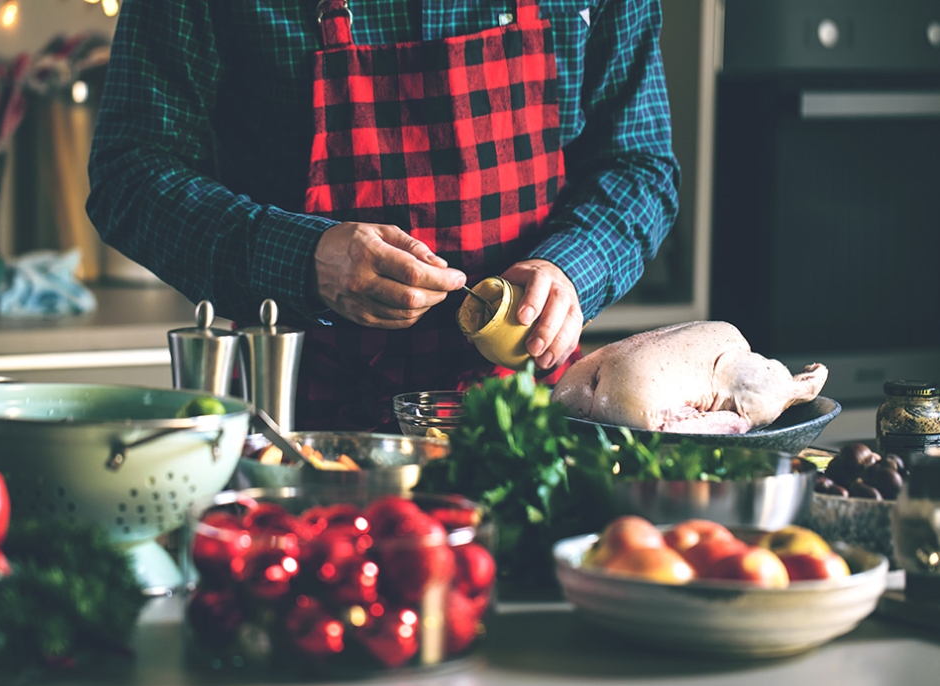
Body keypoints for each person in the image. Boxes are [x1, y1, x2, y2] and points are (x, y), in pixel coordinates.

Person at [87, 0, 680, 431]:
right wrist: (302, 258)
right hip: (292, 430)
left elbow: (638, 163)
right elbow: (130, 173)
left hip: (528, 427)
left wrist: (570, 270)